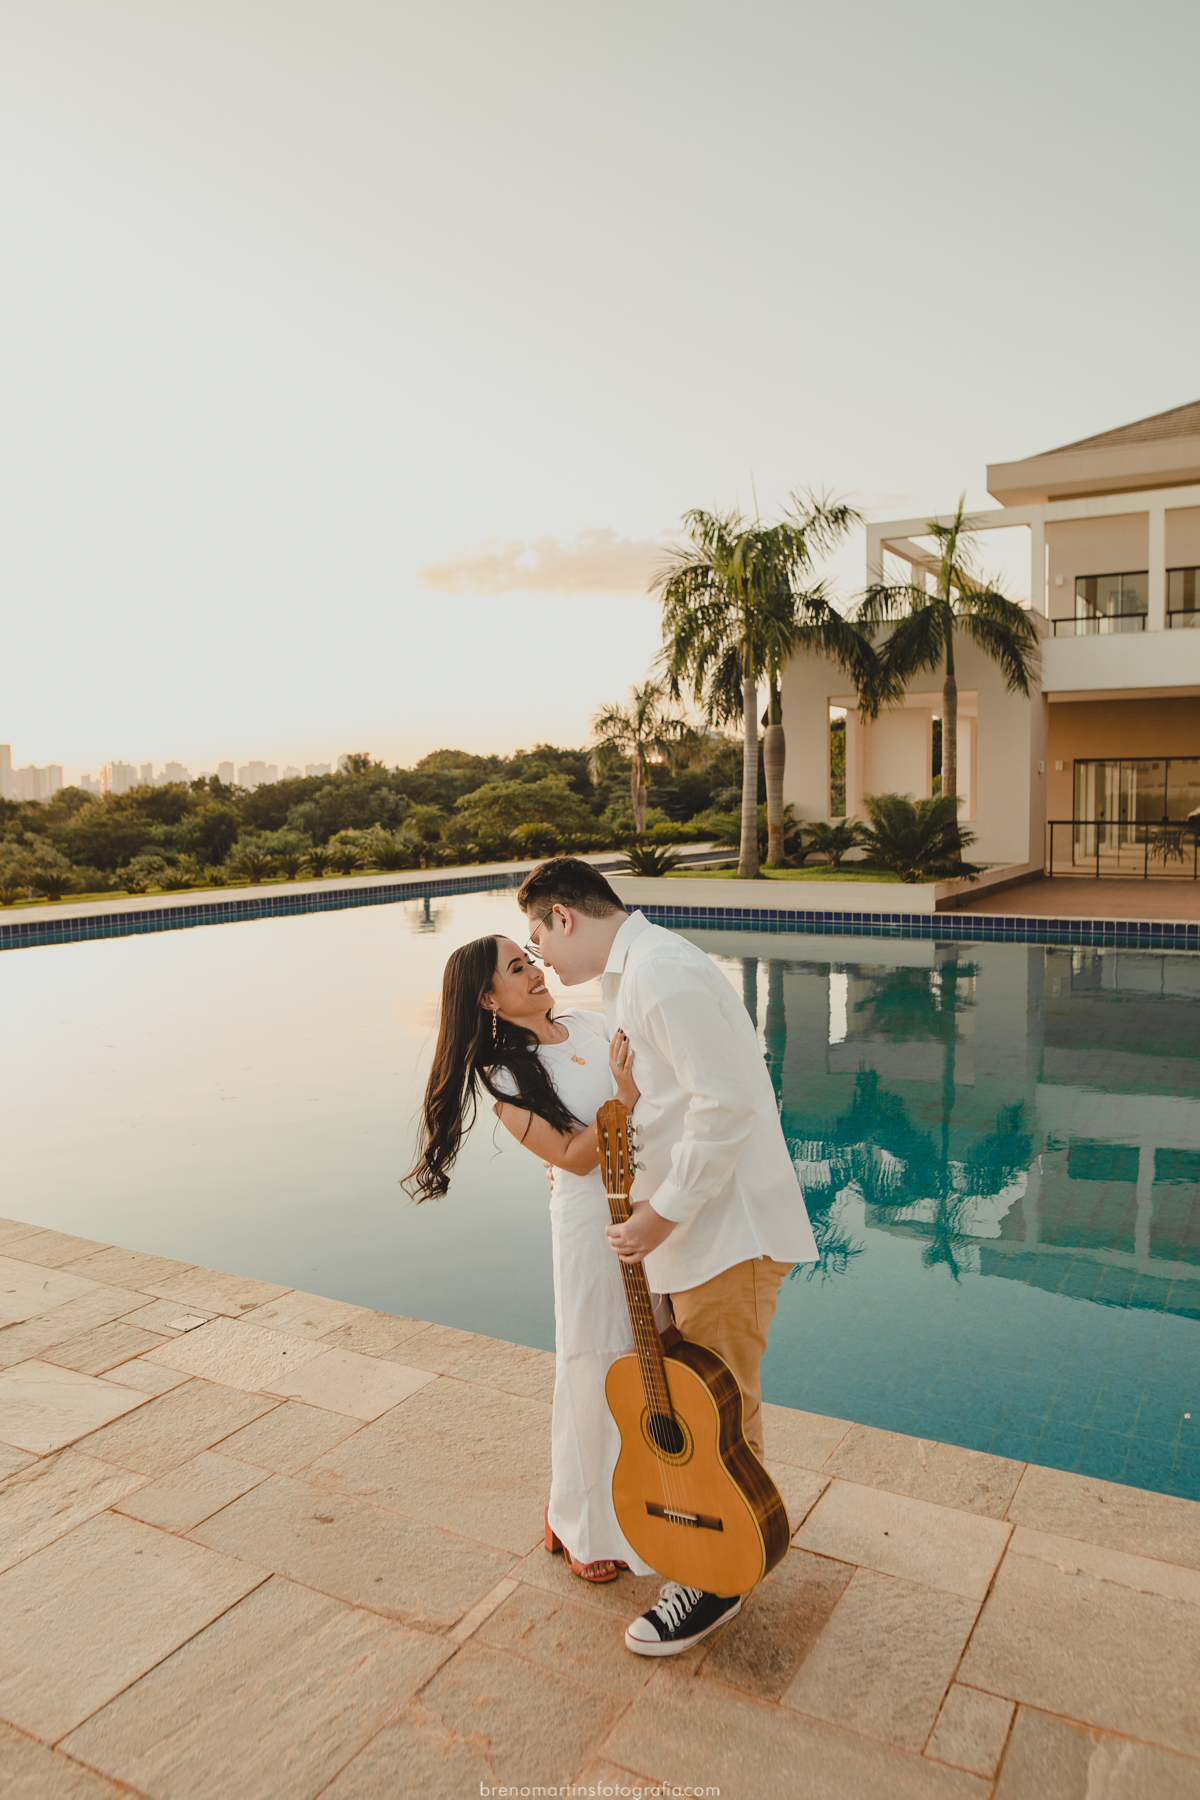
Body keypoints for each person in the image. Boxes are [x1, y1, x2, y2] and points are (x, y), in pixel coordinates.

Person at [516, 856, 818, 1657]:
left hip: (726, 1234)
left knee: (723, 1413)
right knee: (713, 1405)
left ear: (565, 916)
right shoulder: (636, 975)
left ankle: (717, 1579)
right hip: (700, 1236)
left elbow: (728, 1104)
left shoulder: (659, 974)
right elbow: (683, 1103)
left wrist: (660, 1214)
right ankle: (725, 1554)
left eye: (539, 936)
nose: (541, 956)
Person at [404, 932, 661, 1583]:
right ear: (489, 997)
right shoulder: (505, 1073)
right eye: (518, 968)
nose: (537, 970)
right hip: (589, 1226)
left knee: (651, 1355)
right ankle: (582, 1524)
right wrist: (624, 1102)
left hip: (650, 1212)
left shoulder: (592, 1022)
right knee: (595, 1365)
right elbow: (572, 1157)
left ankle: (646, 1505)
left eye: (531, 959)